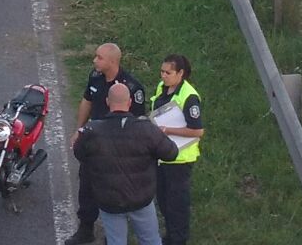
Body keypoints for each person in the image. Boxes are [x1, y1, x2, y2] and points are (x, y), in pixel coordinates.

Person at [73, 83, 178, 245]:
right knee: (151, 240)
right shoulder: (146, 130)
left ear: (108, 102)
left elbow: (79, 154)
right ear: (129, 102)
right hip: (141, 198)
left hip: (110, 200)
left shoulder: (92, 131)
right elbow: (171, 153)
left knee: (116, 241)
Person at [65, 42, 147, 245]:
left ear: (112, 61)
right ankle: (86, 229)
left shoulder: (132, 88)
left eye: (99, 57)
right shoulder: (95, 77)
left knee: (115, 189)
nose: (94, 60)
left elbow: (137, 123)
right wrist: (79, 128)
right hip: (94, 143)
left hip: (118, 149)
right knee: (87, 185)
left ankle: (115, 236)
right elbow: (87, 101)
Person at [150, 54, 205, 245]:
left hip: (180, 160)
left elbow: (197, 130)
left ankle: (178, 239)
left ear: (180, 73)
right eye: (162, 71)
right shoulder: (161, 88)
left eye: (168, 72)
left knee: (177, 205)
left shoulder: (189, 97)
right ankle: (170, 236)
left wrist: (167, 130)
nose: (163, 76)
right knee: (163, 201)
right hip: (162, 156)